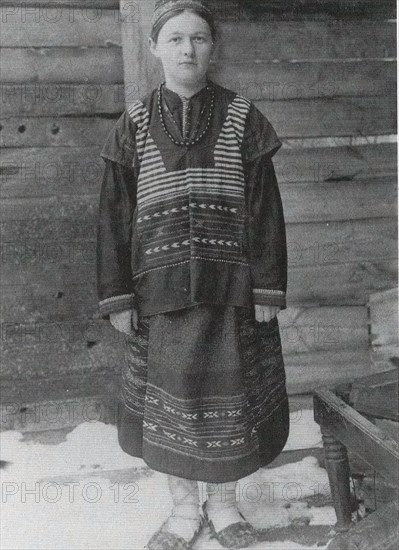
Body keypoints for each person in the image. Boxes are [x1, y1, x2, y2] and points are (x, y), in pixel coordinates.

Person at [96, 1, 289, 548]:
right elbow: (112, 219)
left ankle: (225, 508)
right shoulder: (132, 124)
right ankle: (184, 511)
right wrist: (117, 298)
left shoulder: (244, 117)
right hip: (157, 294)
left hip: (231, 292)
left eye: (199, 38)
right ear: (156, 48)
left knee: (233, 400)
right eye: (176, 39)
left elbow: (265, 209)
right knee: (169, 406)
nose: (187, 50)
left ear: (213, 47)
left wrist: (268, 287)